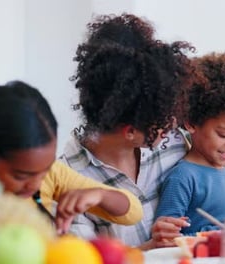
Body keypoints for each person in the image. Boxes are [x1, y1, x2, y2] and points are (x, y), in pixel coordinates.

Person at [0, 81, 143, 264]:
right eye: (21, 176)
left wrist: (100, 195)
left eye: (44, 170)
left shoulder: (51, 174)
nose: (36, 183)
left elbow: (133, 212)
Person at [59, 13, 197, 249]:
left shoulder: (176, 144)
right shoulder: (68, 179)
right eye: (162, 123)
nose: (172, 125)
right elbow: (85, 259)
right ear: (130, 131)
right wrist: (151, 246)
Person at [155, 52, 225, 234]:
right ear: (192, 123)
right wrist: (217, 235)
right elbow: (167, 237)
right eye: (224, 134)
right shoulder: (182, 177)